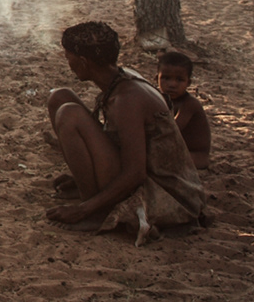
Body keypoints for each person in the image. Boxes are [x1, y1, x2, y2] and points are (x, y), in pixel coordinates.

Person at [46, 22, 210, 244]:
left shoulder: (127, 99)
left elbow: (136, 173)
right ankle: (88, 188)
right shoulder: (119, 78)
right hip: (143, 173)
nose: (69, 64)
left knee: (69, 114)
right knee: (59, 97)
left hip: (164, 191)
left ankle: (96, 211)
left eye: (69, 58)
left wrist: (83, 210)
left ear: (83, 62)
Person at [156, 50, 212, 170]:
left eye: (179, 80)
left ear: (188, 83)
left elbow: (172, 129)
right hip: (176, 150)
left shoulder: (189, 104)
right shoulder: (159, 98)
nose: (172, 84)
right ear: (157, 79)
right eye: (166, 78)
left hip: (196, 156)